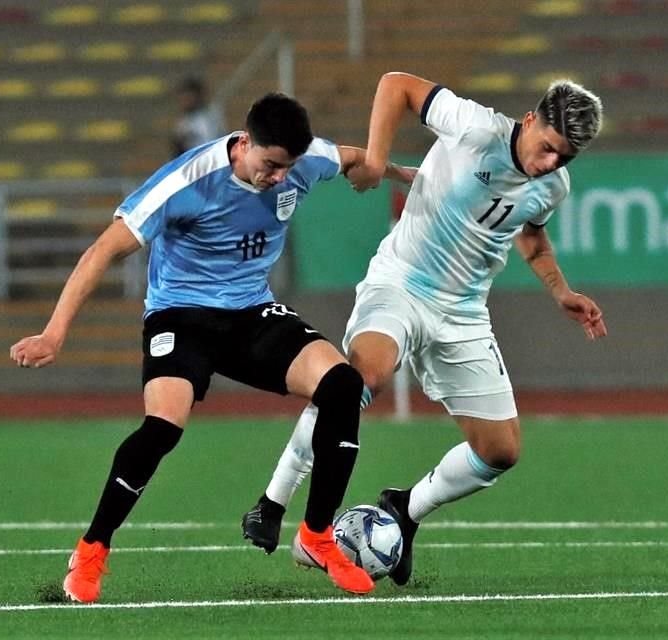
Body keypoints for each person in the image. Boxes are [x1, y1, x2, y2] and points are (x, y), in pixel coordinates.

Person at [10, 93, 411, 601]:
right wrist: (54, 332)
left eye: (288, 168)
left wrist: (390, 171)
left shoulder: (302, 162)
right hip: (181, 315)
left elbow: (355, 159)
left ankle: (316, 535)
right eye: (270, 166)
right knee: (162, 428)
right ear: (244, 144)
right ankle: (91, 550)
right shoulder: (187, 181)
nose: (279, 178)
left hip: (249, 313)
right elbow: (103, 250)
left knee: (342, 386)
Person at [241, 72, 608, 586]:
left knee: (500, 451)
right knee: (358, 381)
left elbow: (531, 236)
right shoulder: (474, 127)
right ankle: (273, 504)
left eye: (564, 158)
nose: (550, 163)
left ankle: (404, 511)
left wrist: (560, 290)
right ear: (530, 120)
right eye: (547, 147)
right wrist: (374, 159)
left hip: (464, 312)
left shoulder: (553, 184)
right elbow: (396, 85)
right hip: (401, 286)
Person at [171, 75, 224, 157]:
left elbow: (210, 146)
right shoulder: (184, 120)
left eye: (188, 96)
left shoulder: (208, 118)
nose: (184, 100)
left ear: (197, 96)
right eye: (182, 96)